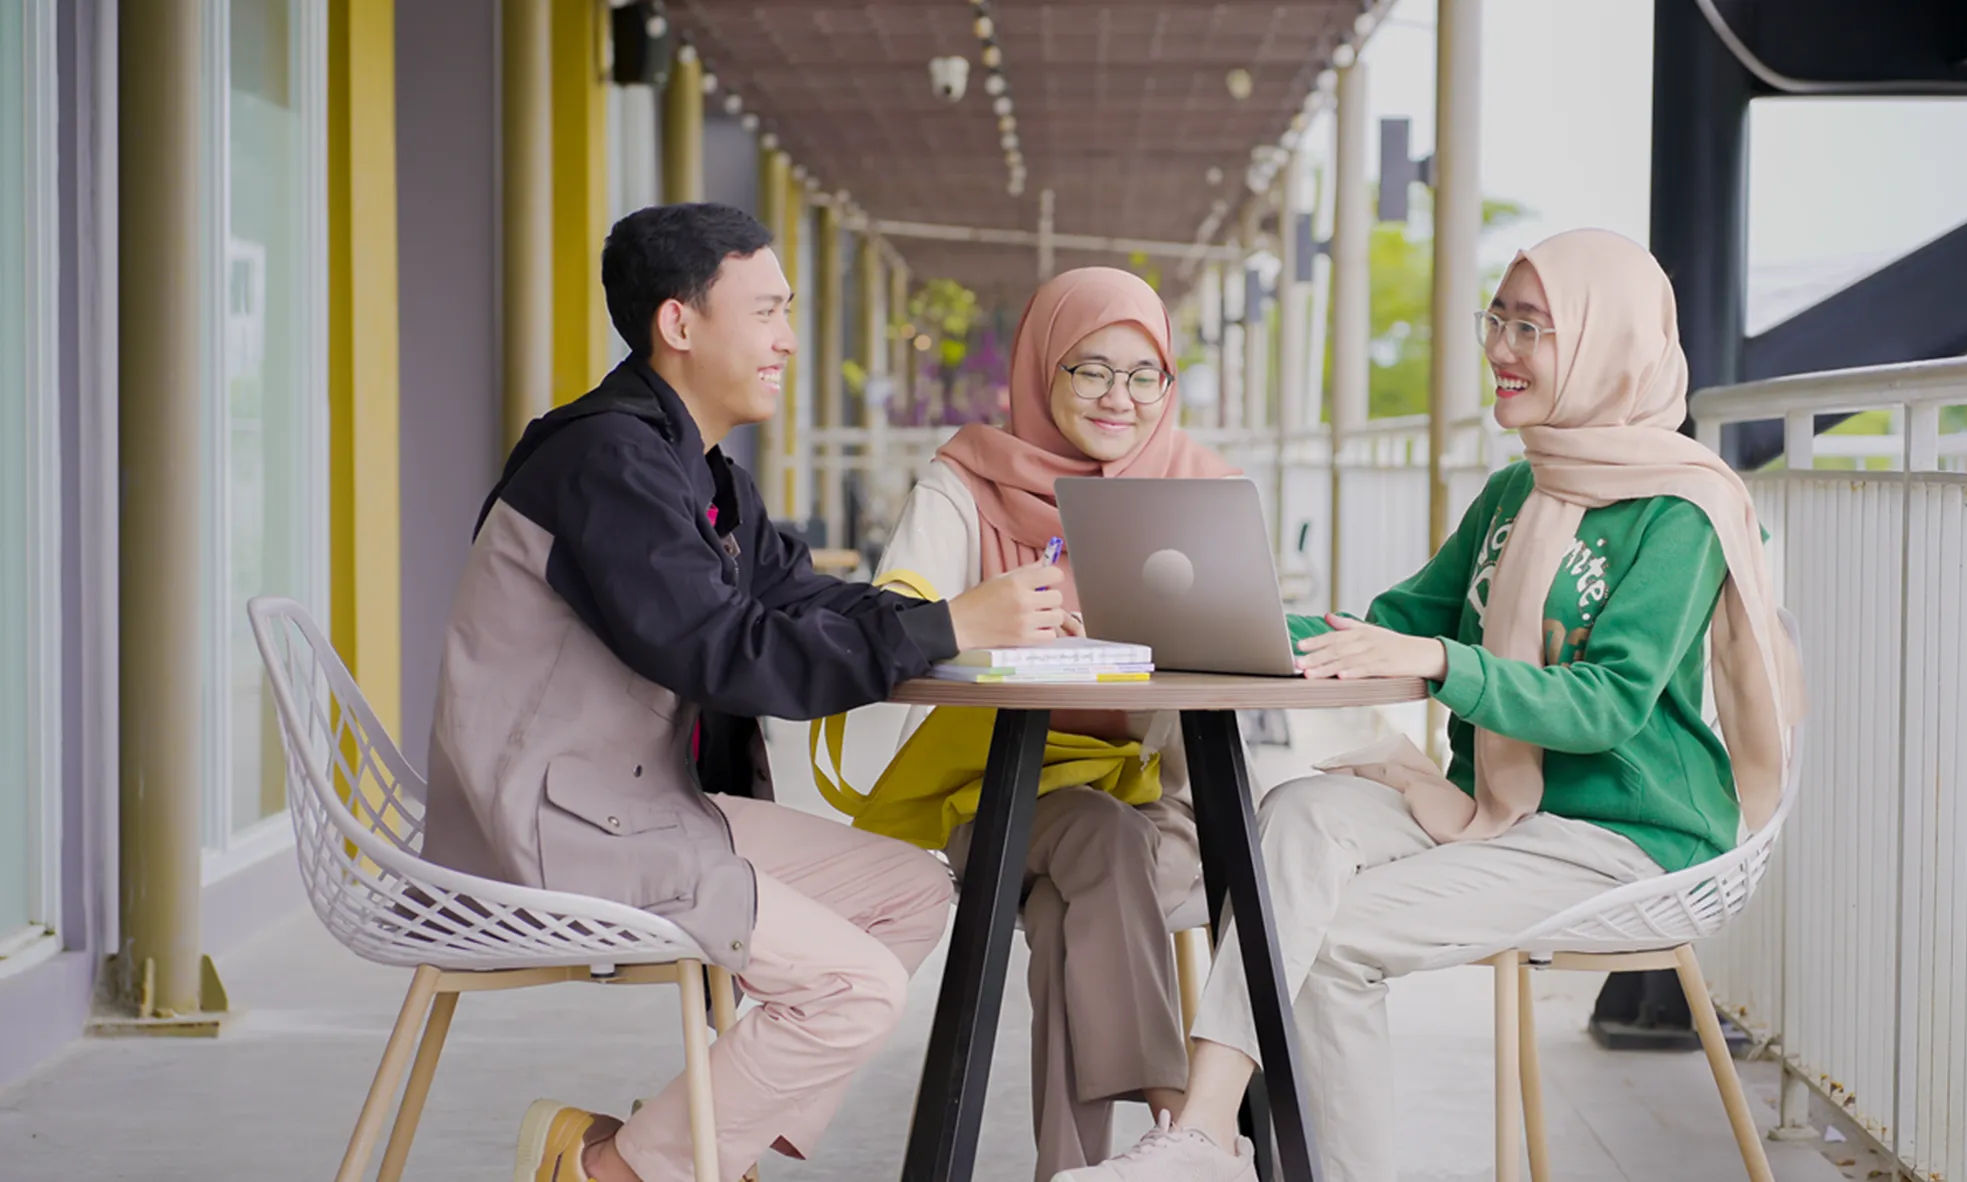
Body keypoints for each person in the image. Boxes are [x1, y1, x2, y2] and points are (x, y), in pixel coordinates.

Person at [1051, 228, 1805, 1182]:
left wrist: (1443, 662)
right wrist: (1183, 615)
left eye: (1532, 327)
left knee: (1324, 939)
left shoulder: (1683, 510)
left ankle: (1207, 1135)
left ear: (1608, 344)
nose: (1499, 348)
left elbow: (1608, 705)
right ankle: (1203, 1134)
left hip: (1627, 835)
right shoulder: (1518, 489)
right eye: (1498, 319)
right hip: (1496, 803)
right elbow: (1390, 624)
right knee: (1300, 813)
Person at [416, 202, 1067, 1182]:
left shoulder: (700, 471)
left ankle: (672, 1148)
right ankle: (618, 1174)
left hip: (637, 807)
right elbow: (726, 652)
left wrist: (951, 617)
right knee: (856, 991)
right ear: (678, 325)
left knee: (913, 894)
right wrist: (950, 629)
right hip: (559, 822)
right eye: (765, 312)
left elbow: (798, 597)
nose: (787, 340)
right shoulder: (606, 462)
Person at [871, 266, 1237, 1180]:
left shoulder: (1196, 485)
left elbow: (1245, 642)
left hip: (1162, 809)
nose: (1121, 399)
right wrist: (986, 618)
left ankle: (1078, 1169)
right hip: (994, 804)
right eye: (1090, 370)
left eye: (1143, 373)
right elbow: (891, 618)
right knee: (1093, 842)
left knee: (1075, 899)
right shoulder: (968, 482)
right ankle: (1181, 1122)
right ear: (1043, 370)